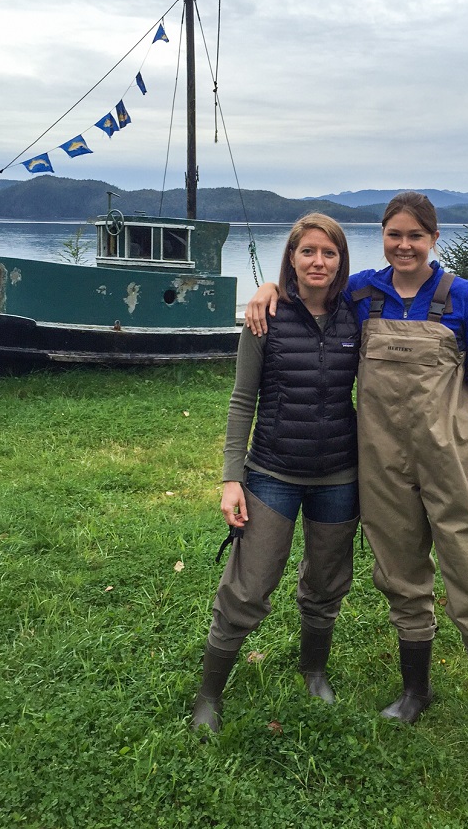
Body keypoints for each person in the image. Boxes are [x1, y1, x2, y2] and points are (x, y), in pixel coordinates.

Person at [245, 192, 468, 762]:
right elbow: (310, 297)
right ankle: (415, 692)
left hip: (450, 465)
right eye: (394, 235)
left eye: (415, 236)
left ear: (432, 239)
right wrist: (268, 289)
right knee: (402, 576)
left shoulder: (466, 300)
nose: (404, 246)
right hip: (380, 465)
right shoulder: (362, 294)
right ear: (382, 238)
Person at [192, 213, 360, 735]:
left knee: (327, 582)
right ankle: (208, 694)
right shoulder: (264, 317)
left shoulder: (358, 313)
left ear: (341, 261)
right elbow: (243, 400)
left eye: (328, 253)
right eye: (307, 251)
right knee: (249, 585)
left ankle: (313, 669)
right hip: (270, 472)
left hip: (339, 474)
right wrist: (229, 476)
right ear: (291, 257)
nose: (318, 261)